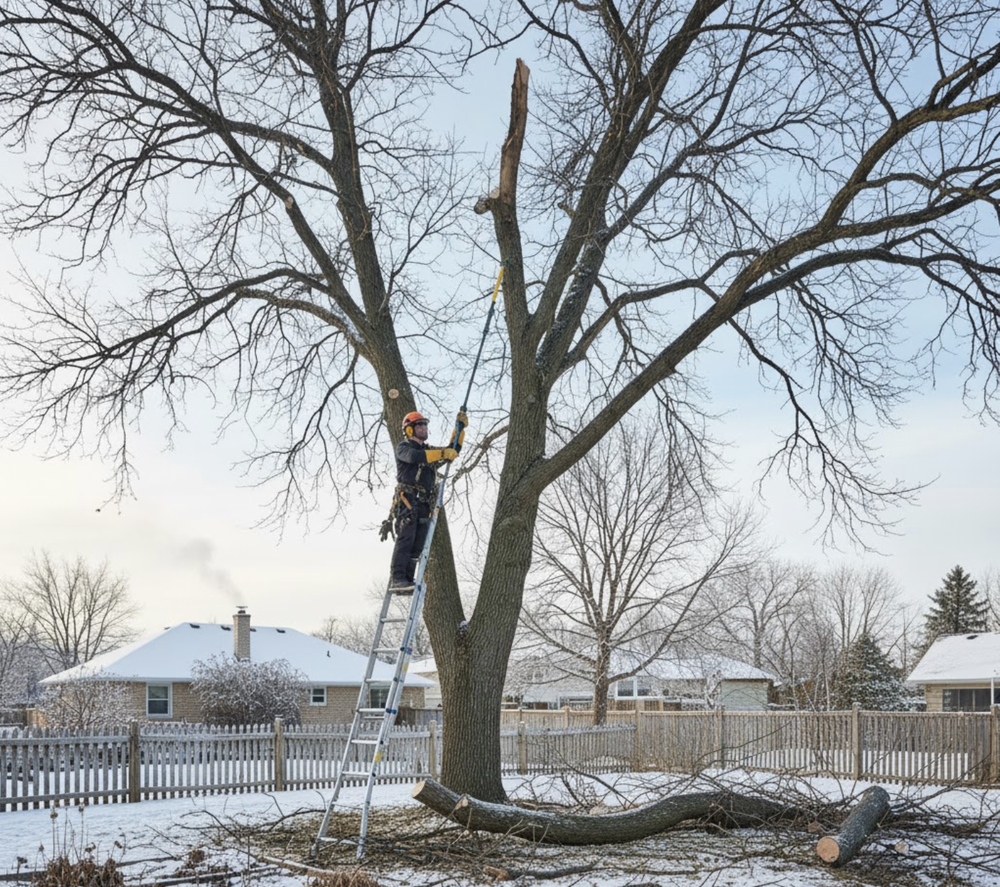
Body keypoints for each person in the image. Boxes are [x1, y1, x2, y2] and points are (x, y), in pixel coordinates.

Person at [387, 409, 468, 592]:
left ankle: (407, 579)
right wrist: (442, 453)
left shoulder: (429, 451)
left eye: (425, 425)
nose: (424, 428)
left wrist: (459, 430)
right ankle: (398, 578)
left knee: (418, 543)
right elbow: (415, 457)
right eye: (420, 425)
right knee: (406, 538)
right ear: (410, 429)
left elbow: (451, 451)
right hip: (408, 500)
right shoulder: (404, 448)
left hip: (424, 502)